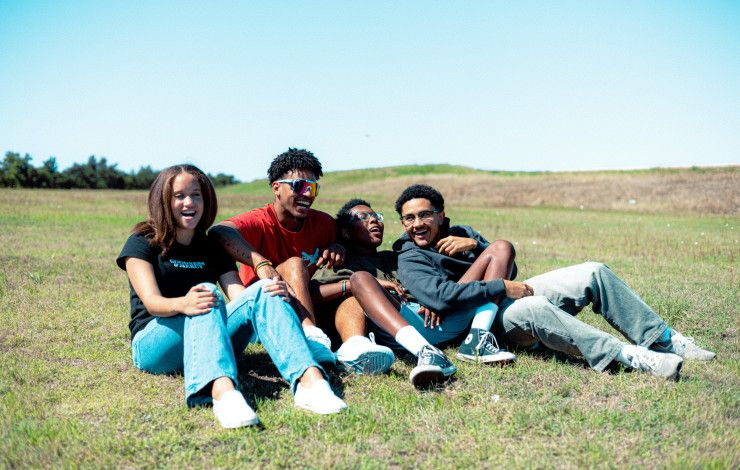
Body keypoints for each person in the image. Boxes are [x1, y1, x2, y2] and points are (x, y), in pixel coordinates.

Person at [392, 184, 715, 381]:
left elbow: (510, 267)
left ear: (441, 215)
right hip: (487, 325)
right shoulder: (409, 256)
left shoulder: (463, 233)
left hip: (503, 297)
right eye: (410, 218)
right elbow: (442, 298)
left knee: (594, 270)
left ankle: (662, 339)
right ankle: (627, 355)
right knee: (533, 305)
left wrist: (477, 246)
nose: (418, 224)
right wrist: (501, 287)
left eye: (425, 215)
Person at [116, 164, 347, 429]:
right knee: (208, 294)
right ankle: (223, 394)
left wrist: (269, 295)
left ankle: (310, 381)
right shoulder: (143, 241)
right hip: (156, 341)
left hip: (208, 331)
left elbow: (240, 298)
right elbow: (152, 303)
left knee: (263, 289)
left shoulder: (211, 247)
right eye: (179, 196)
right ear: (163, 200)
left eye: (196, 195)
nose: (189, 202)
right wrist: (185, 303)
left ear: (206, 200)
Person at [209, 148, 394, 371]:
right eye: (298, 186)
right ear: (276, 188)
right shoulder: (260, 220)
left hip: (309, 302)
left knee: (350, 296)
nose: (307, 194)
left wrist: (338, 247)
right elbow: (220, 232)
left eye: (313, 187)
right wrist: (260, 262)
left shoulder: (324, 224)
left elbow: (347, 241)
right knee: (295, 264)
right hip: (267, 313)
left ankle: (355, 347)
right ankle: (311, 338)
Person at [311, 198, 515, 388]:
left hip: (437, 318)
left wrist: (431, 298)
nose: (374, 220)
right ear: (346, 233)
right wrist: (353, 284)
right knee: (361, 279)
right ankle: (425, 352)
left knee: (502, 247)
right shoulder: (339, 262)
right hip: (398, 327)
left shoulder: (397, 256)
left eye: (377, 216)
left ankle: (478, 339)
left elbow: (443, 278)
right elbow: (312, 296)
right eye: (363, 217)